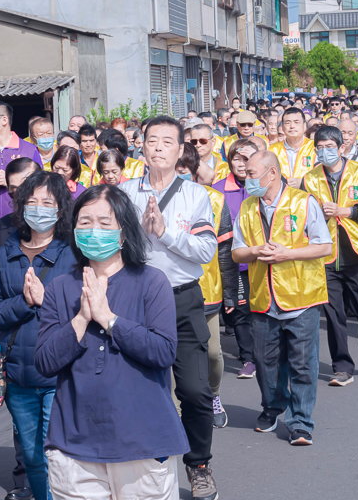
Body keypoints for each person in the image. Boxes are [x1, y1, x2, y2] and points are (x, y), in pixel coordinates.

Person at [34, 185, 187, 500]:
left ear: (124, 231)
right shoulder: (60, 288)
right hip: (73, 445)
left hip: (143, 443)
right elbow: (45, 362)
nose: (93, 231)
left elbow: (162, 352)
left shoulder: (151, 281)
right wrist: (81, 319)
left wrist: (109, 319)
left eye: (105, 223)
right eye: (85, 222)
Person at [117, 116, 218, 499]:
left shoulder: (195, 195)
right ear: (141, 146)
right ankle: (145, 461)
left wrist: (165, 233)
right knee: (141, 388)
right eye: (151, 140)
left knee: (194, 390)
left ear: (180, 151)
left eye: (166, 142)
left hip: (183, 298)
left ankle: (199, 464)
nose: (158, 147)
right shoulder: (124, 193)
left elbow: (205, 250)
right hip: (136, 299)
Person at [0, 172, 78, 500]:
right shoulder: (4, 254)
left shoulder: (73, 254)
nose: (38, 209)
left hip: (59, 375)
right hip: (17, 376)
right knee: (34, 458)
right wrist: (24, 302)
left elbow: (82, 310)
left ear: (61, 209)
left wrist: (45, 298)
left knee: (59, 456)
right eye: (31, 202)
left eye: (47, 203)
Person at [232, 151, 331, 446]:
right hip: (263, 297)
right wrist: (256, 251)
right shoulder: (248, 208)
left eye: (251, 174)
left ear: (271, 174)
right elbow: (238, 252)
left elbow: (324, 246)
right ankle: (273, 406)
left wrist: (287, 253)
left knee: (303, 363)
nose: (246, 178)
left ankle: (300, 421)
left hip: (302, 297)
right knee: (266, 362)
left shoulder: (303, 202)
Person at [304, 127, 358, 387]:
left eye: (329, 147)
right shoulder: (310, 179)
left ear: (341, 148)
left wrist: (347, 210)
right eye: (319, 148)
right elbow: (302, 214)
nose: (324, 152)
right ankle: (342, 366)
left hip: (357, 252)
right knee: (333, 314)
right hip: (325, 256)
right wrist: (320, 214)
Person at [176, 147, 235, 430]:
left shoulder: (216, 200)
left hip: (207, 288)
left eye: (184, 172)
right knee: (171, 353)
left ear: (194, 172)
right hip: (168, 291)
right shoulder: (152, 200)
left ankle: (213, 395)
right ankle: (175, 410)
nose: (178, 177)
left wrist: (232, 292)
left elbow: (225, 251)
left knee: (212, 353)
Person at [213, 140, 258, 380]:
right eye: (237, 158)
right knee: (240, 311)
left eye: (247, 158)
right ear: (229, 161)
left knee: (264, 309)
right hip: (235, 262)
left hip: (264, 260)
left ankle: (268, 355)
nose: (242, 163)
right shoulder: (218, 189)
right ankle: (248, 358)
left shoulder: (264, 185)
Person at [0, 102, 43, 236]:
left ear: (4, 120)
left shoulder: (29, 150)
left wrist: (11, 184)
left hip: (26, 225)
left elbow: (41, 186)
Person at [270, 108, 315, 190]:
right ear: (282, 127)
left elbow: (323, 176)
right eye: (287, 123)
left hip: (308, 197)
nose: (292, 126)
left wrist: (304, 182)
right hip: (281, 198)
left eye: (296, 122)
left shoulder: (314, 148)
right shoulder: (273, 150)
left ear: (304, 125)